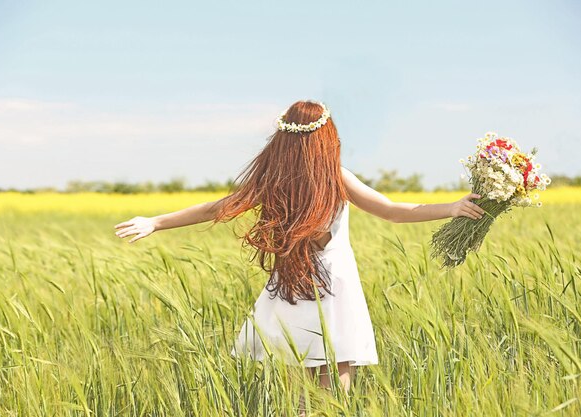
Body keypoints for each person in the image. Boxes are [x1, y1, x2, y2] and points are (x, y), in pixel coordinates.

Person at [114, 100, 485, 411]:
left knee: (299, 403)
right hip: (334, 286)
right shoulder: (335, 177)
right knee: (336, 393)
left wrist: (156, 222)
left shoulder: (273, 178)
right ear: (327, 138)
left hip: (292, 285)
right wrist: (450, 207)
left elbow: (218, 208)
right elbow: (392, 210)